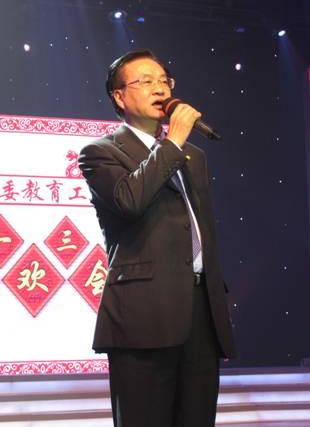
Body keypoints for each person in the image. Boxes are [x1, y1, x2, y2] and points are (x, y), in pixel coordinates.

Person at [78, 49, 236, 427]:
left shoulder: (193, 156)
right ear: (119, 97)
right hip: (143, 313)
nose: (159, 88)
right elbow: (129, 202)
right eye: (146, 81)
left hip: (201, 308)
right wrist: (173, 142)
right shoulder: (100, 152)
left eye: (164, 81)